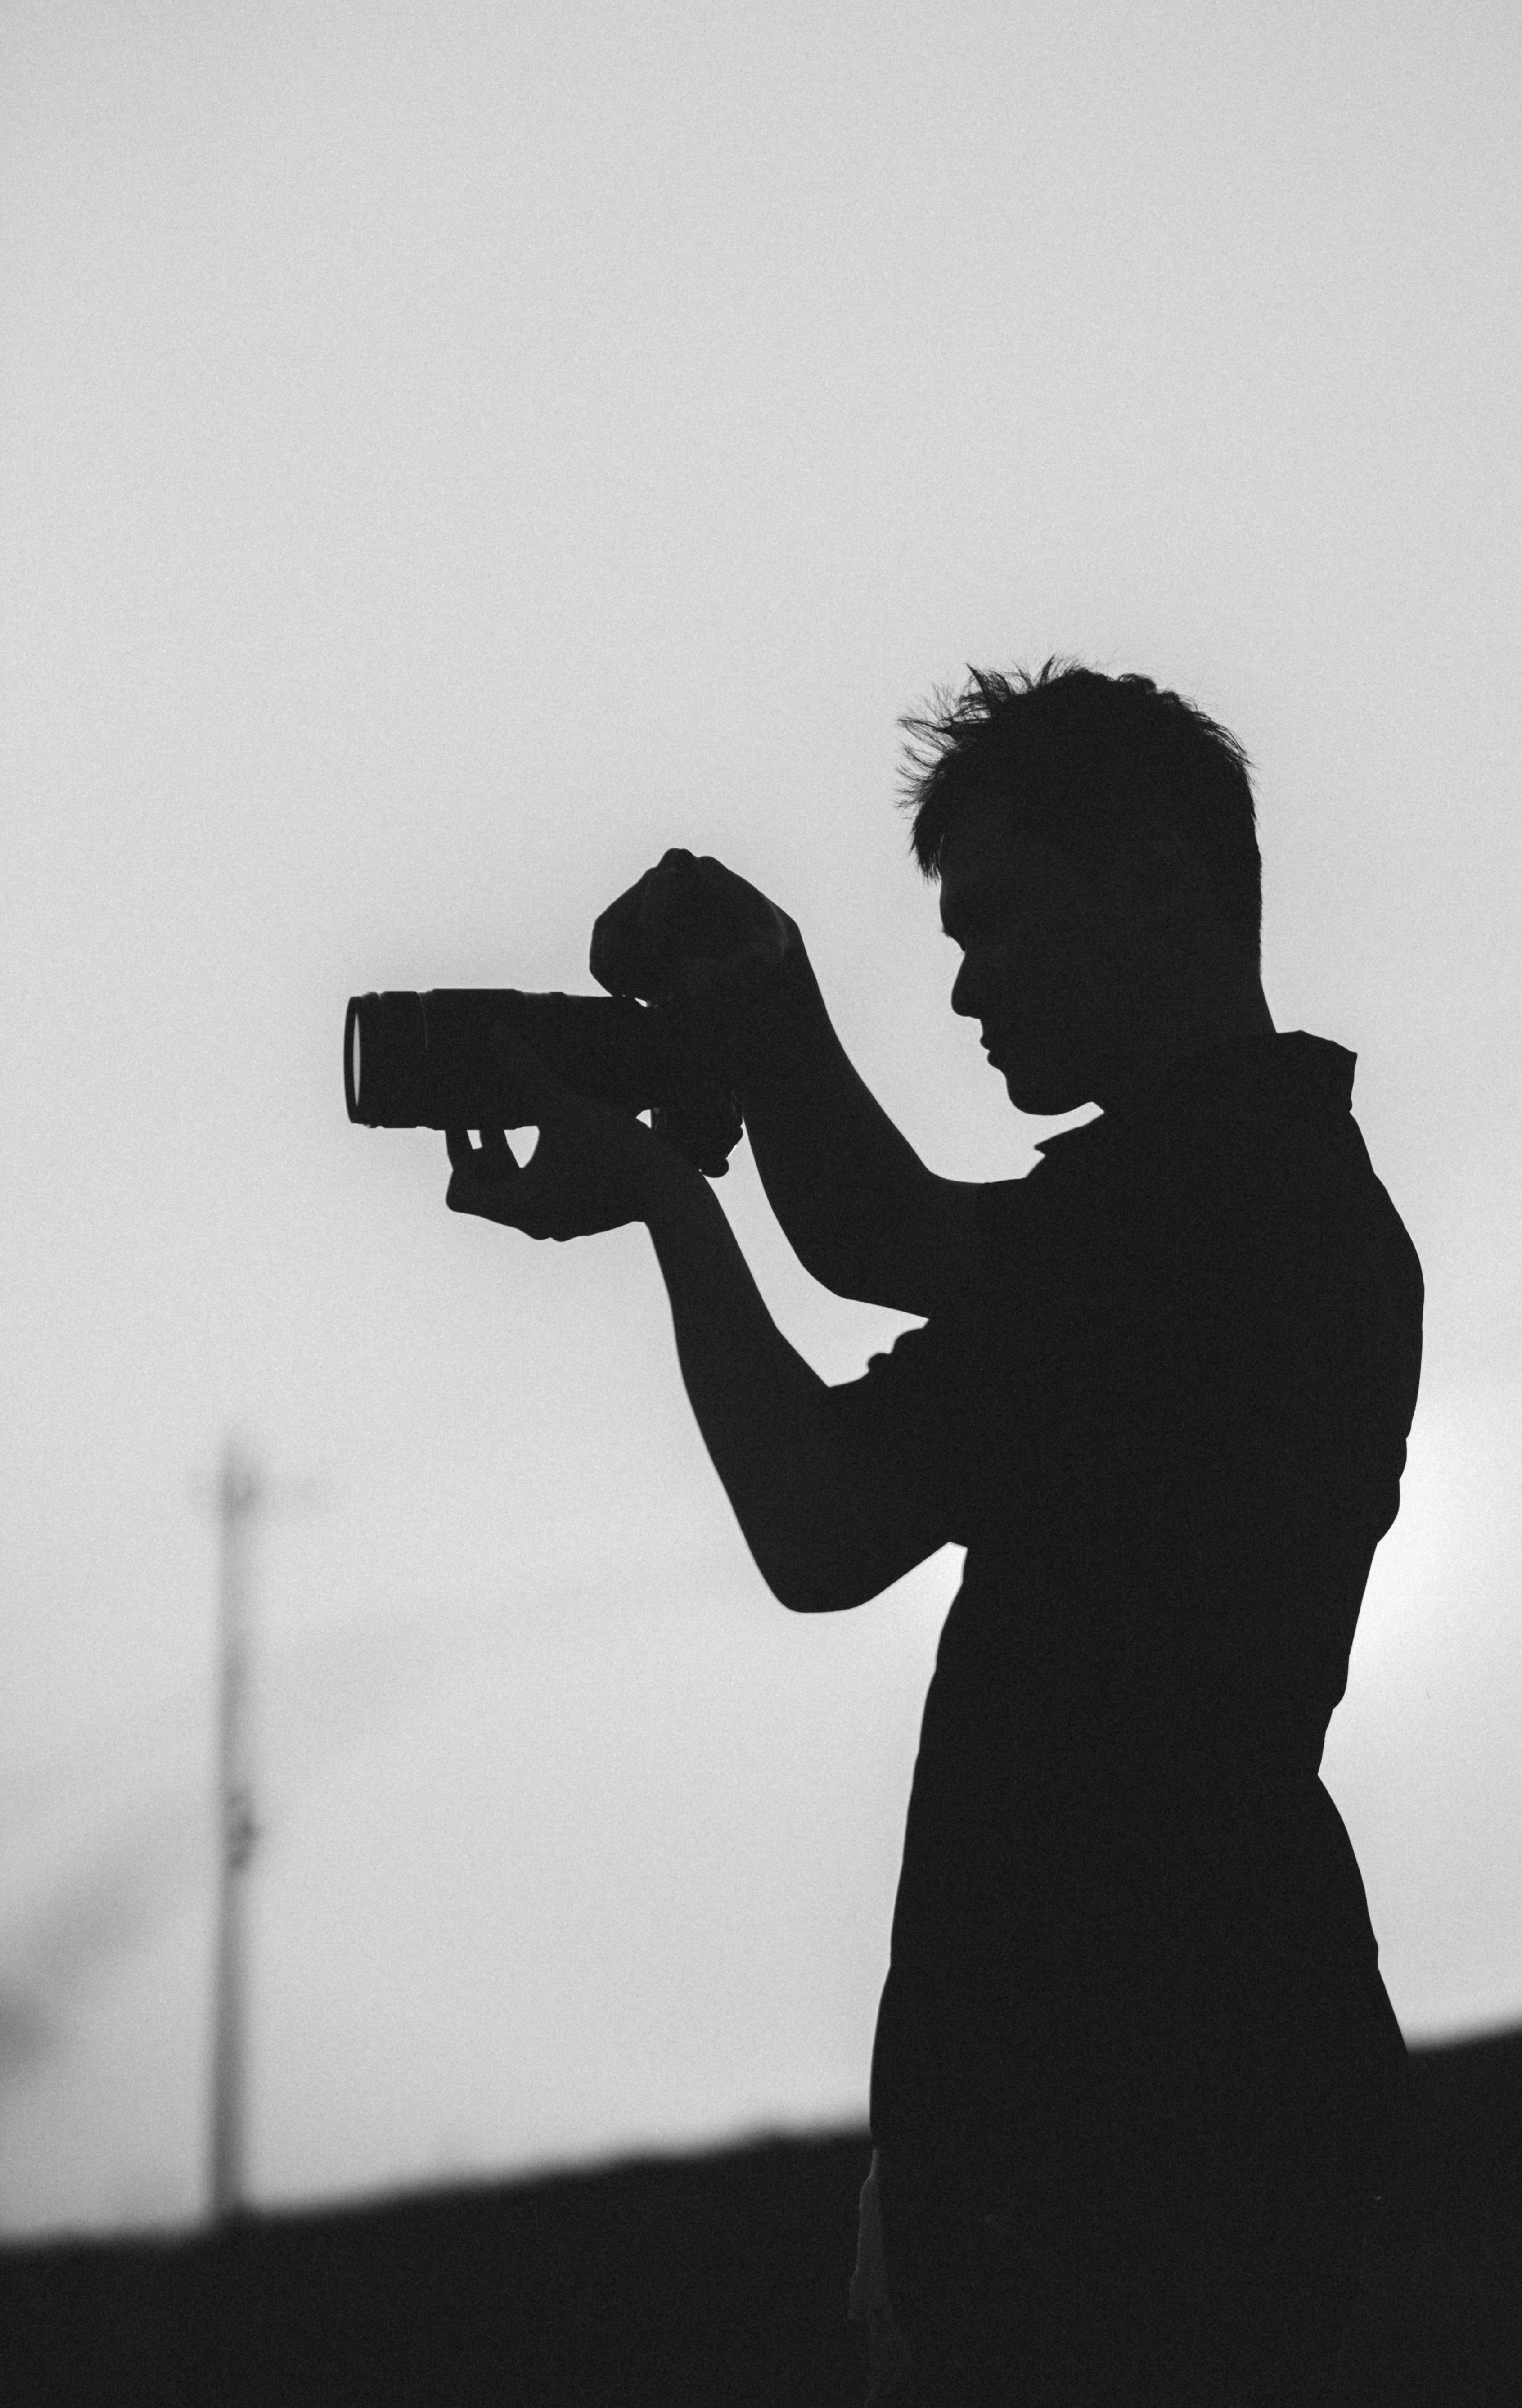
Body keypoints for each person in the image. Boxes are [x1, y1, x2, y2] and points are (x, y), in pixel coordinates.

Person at [444, 660, 1423, 2405]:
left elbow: (819, 1519)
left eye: (998, 922)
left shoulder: (1188, 1213)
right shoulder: (1240, 1183)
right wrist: (765, 1022)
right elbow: (883, 1236)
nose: (964, 989)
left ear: (1152, 887)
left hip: (1116, 2146)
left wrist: (670, 1196)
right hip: (1167, 2107)